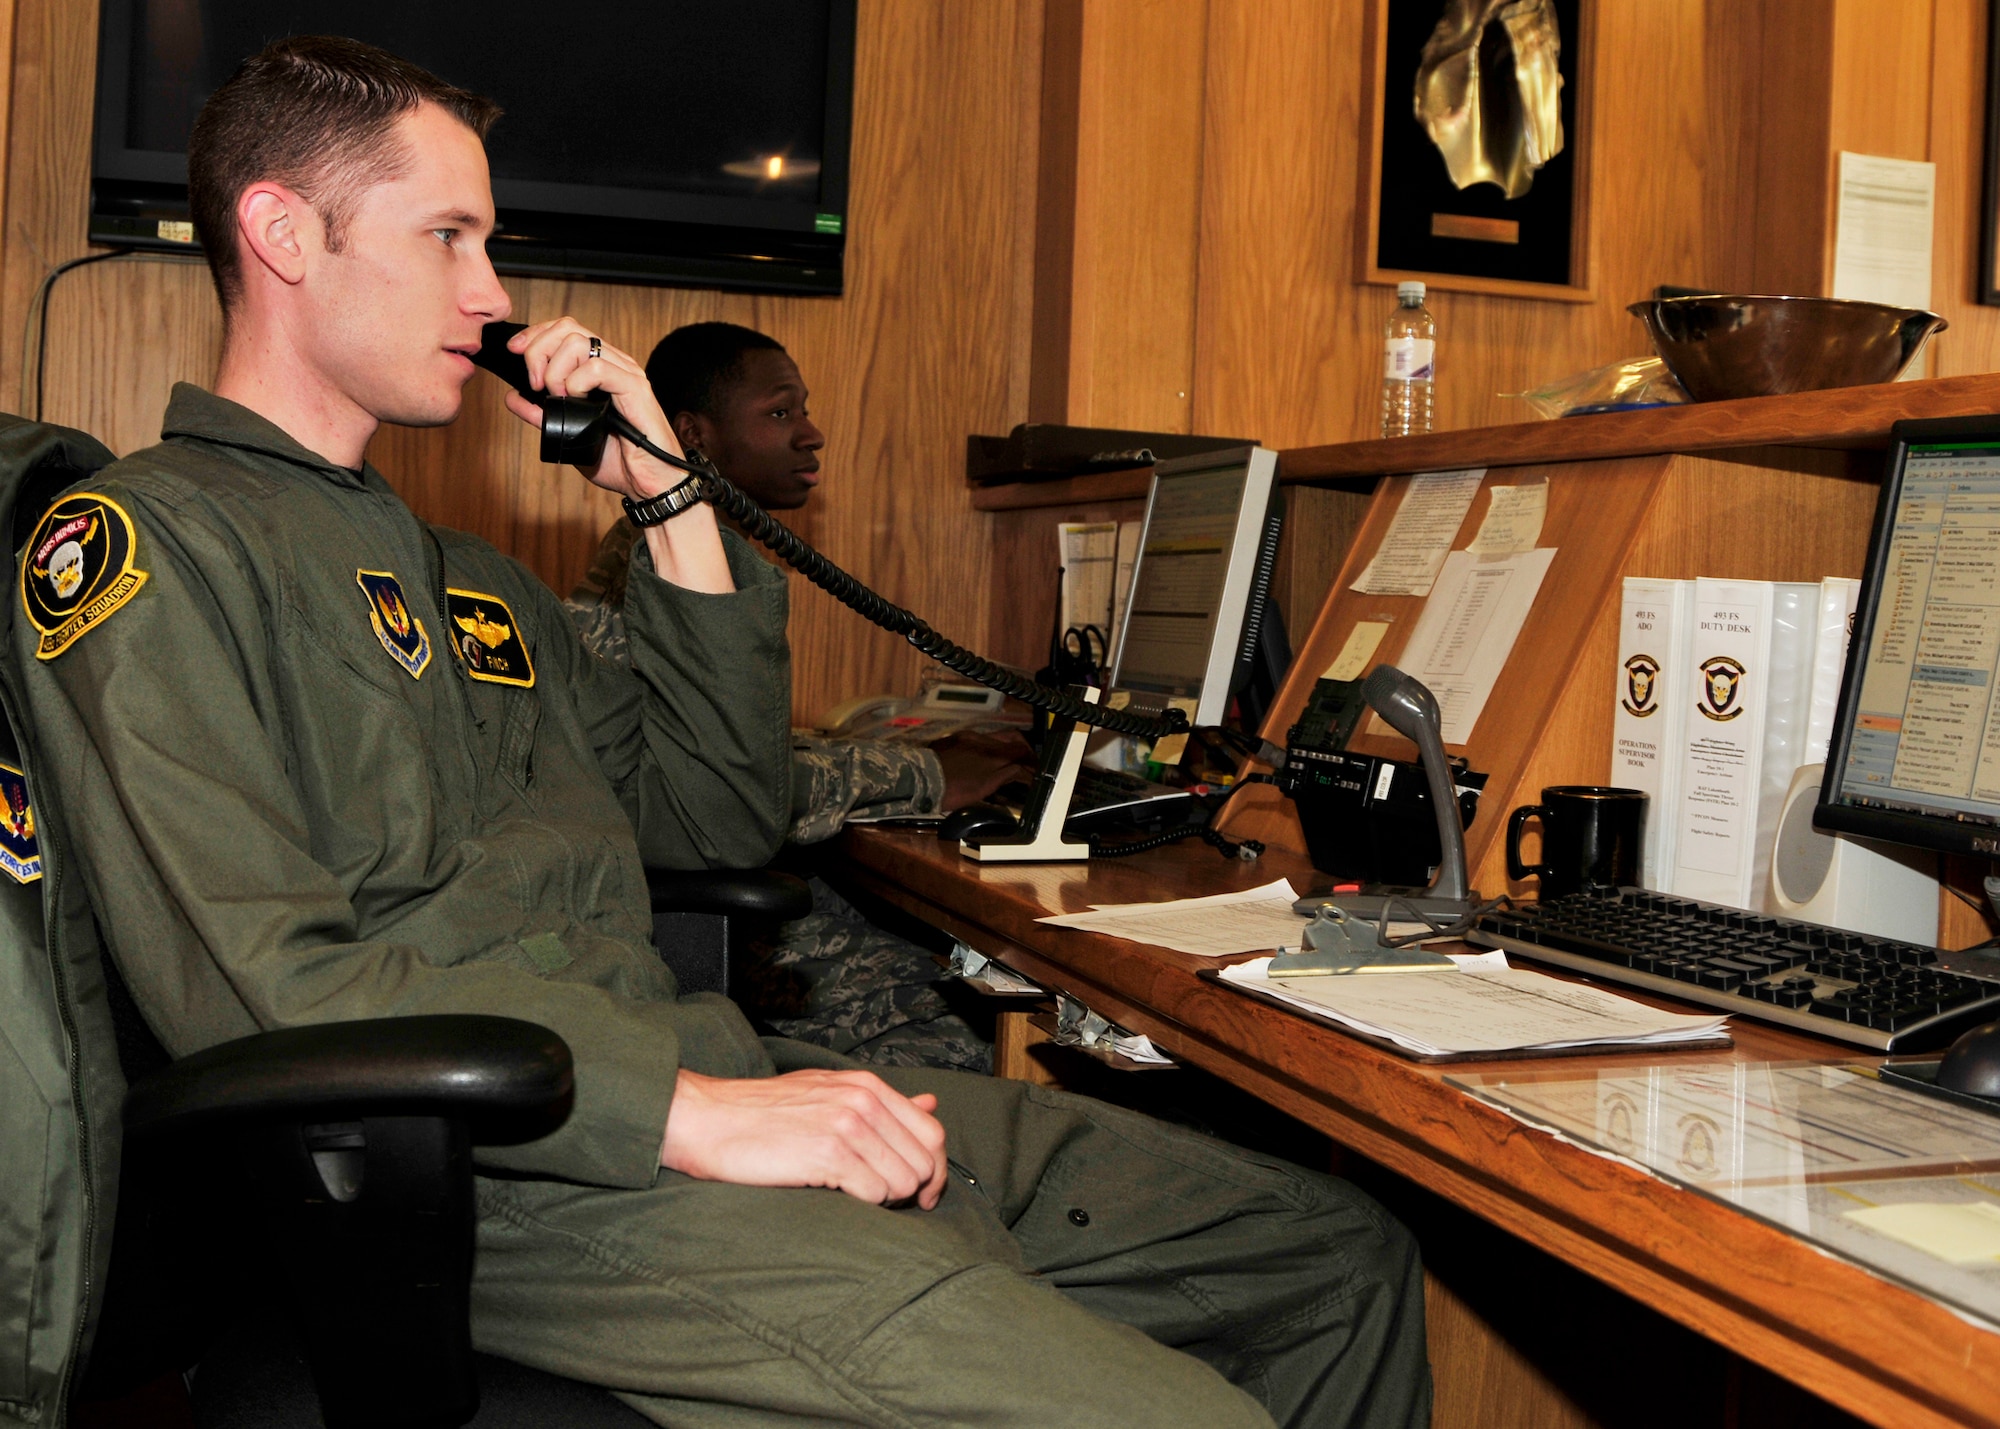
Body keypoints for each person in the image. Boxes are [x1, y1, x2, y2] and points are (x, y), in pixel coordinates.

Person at [17, 37, 1431, 1427]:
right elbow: (256, 978)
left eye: (488, 243)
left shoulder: (475, 583)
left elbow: (713, 822)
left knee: (1334, 1258)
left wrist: (669, 498)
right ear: (281, 233)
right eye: (448, 236)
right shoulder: (148, 548)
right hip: (488, 1167)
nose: (492, 293)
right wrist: (689, 1113)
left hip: (692, 1073)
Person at [566, 321, 1028, 1073]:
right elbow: (739, 790)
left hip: (674, 890)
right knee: (973, 1023)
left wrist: (909, 758)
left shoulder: (700, 547)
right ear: (693, 436)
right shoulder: (672, 562)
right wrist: (931, 776)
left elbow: (732, 751)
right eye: (780, 413)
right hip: (670, 911)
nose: (811, 434)